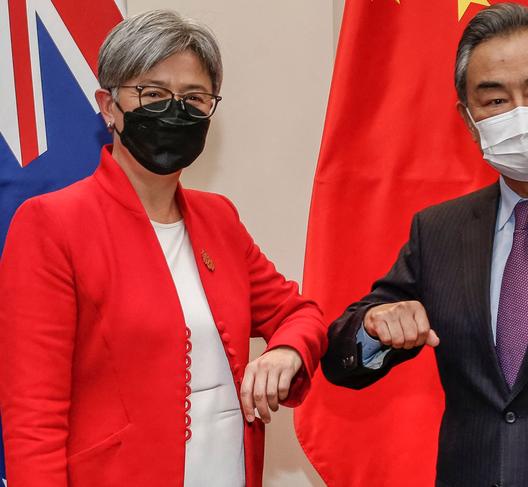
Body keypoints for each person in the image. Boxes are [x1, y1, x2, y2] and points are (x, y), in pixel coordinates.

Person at [323, 3, 528, 486]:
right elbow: (341, 361)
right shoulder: (439, 231)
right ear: (468, 117)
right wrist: (373, 329)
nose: (520, 112)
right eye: (495, 101)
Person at [0, 10, 327, 487]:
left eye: (194, 98)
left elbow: (302, 314)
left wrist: (285, 352)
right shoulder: (52, 223)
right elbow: (34, 418)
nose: (176, 111)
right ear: (109, 106)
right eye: (152, 94)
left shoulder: (219, 219)